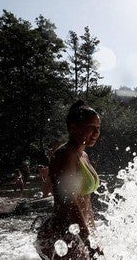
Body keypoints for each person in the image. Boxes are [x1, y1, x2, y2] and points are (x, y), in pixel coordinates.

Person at [35, 100, 103, 260]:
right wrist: (89, 240)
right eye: (90, 127)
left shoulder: (84, 156)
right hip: (61, 233)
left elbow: (86, 200)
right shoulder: (64, 155)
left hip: (76, 230)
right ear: (73, 128)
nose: (95, 133)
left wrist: (94, 235)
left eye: (98, 128)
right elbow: (69, 201)